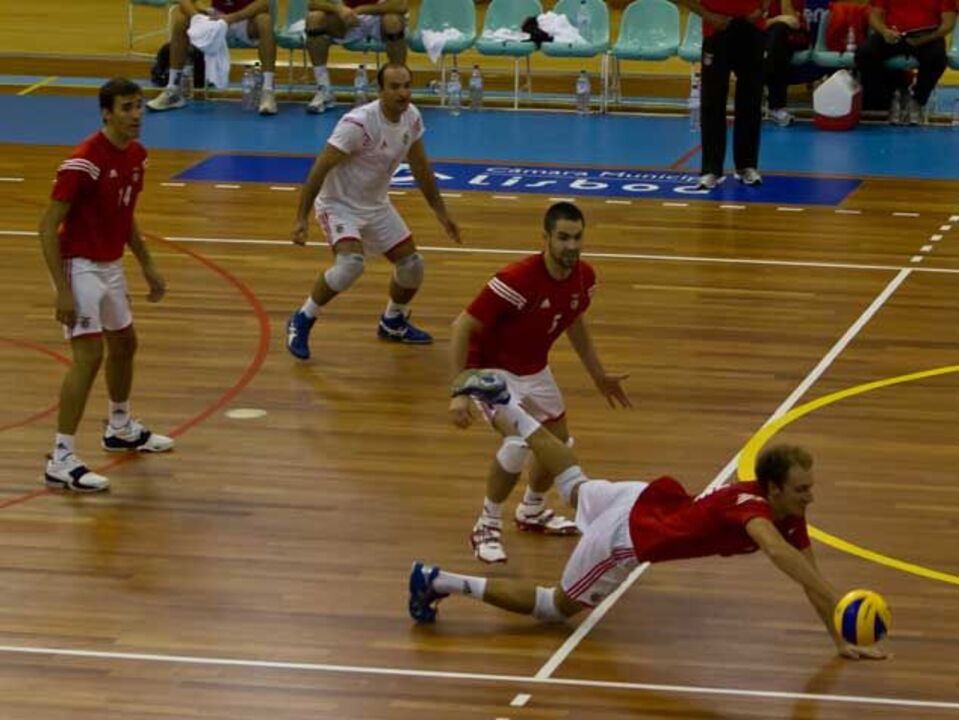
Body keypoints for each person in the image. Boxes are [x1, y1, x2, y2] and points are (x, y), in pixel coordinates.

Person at [410, 373, 888, 660]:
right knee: (554, 609)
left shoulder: (786, 510)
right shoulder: (753, 509)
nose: (811, 497)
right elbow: (778, 553)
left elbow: (808, 574)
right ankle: (437, 581)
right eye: (803, 489)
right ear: (775, 488)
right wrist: (841, 599)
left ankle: (505, 401)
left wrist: (838, 635)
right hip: (628, 535)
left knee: (573, 482)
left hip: (643, 498)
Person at [448, 202, 631, 564]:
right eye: (563, 238)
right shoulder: (516, 279)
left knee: (558, 441)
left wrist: (598, 375)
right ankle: (486, 524)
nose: (572, 246)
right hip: (492, 372)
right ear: (545, 238)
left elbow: (575, 320)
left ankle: (531, 510)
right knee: (518, 441)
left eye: (577, 237)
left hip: (534, 370)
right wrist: (460, 391)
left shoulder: (584, 277)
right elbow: (462, 327)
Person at [38, 78, 174, 493]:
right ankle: (60, 459)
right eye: (128, 108)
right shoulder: (83, 163)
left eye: (139, 107)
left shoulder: (137, 156)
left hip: (111, 264)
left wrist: (147, 264)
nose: (137, 115)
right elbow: (46, 227)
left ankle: (119, 427)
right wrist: (62, 289)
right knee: (89, 355)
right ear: (106, 113)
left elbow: (124, 214)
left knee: (126, 343)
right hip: (78, 266)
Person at [285, 63, 460, 358]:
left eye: (407, 85)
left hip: (376, 204)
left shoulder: (412, 118)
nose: (403, 93)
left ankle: (393, 320)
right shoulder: (358, 124)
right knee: (350, 266)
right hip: (338, 204)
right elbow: (320, 168)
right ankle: (302, 318)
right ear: (380, 91)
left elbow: (421, 168)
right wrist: (301, 218)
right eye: (395, 87)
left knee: (413, 266)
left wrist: (442, 215)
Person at [671, 0, 767, 190]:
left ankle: (746, 166)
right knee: (712, 102)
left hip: (751, 28)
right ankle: (711, 169)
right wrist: (708, 16)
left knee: (750, 100)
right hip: (717, 28)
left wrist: (763, 8)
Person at [147, 0, 279, 115]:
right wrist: (197, 16)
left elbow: (263, 4)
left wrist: (231, 17)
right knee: (181, 20)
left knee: (265, 21)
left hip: (244, 19)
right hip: (215, 18)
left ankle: (268, 91)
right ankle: (173, 89)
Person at [854, 0, 956, 125]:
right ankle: (892, 96)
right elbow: (874, 17)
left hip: (928, 37)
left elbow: (948, 24)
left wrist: (925, 39)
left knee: (937, 58)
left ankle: (917, 100)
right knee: (865, 54)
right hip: (893, 35)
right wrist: (885, 31)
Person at [304, 0, 409, 113]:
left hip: (378, 17)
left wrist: (362, 10)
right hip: (346, 18)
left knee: (393, 21)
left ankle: (397, 90)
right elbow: (313, 3)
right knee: (314, 19)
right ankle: (324, 89)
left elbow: (401, 5)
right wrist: (339, 9)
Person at [763, 0, 810, 127]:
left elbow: (793, 22)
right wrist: (777, 19)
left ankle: (775, 105)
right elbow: (754, 22)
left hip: (793, 37)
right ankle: (776, 106)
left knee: (779, 33)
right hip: (766, 36)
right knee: (774, 45)